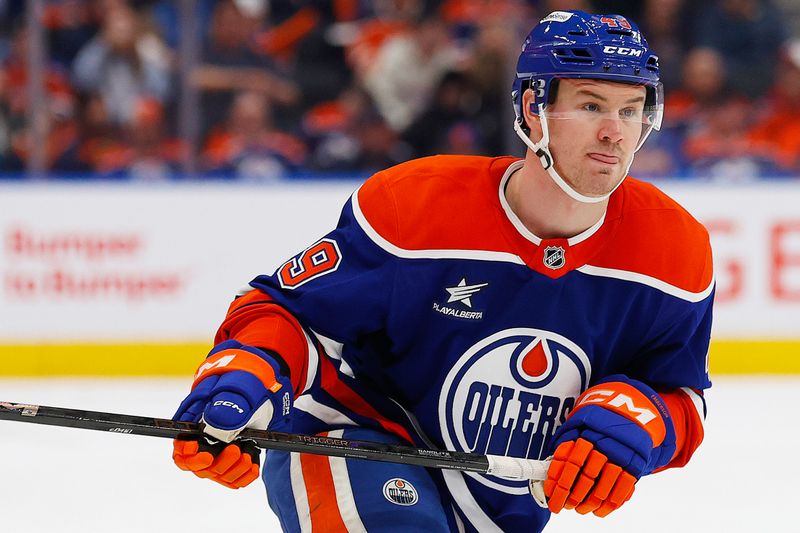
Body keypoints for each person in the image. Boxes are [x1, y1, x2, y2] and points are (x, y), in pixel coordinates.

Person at [172, 10, 713, 532]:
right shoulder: (414, 206)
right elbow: (288, 310)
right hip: (355, 440)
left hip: (499, 505)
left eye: (630, 109)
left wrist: (639, 421)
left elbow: (680, 396)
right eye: (592, 105)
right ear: (531, 110)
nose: (615, 133)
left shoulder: (674, 252)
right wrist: (248, 369)